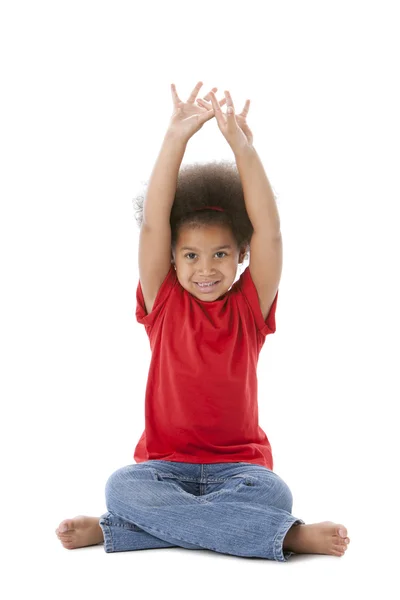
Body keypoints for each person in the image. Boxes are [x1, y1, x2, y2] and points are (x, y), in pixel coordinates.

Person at [55, 81, 350, 561]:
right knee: (121, 486)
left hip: (242, 470)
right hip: (161, 469)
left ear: (241, 256)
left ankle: (122, 532)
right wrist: (175, 139)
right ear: (172, 258)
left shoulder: (249, 308)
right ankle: (284, 536)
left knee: (275, 495)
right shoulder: (164, 300)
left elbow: (270, 231)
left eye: (220, 254)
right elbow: (153, 223)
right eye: (190, 255)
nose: (206, 267)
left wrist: (244, 150)